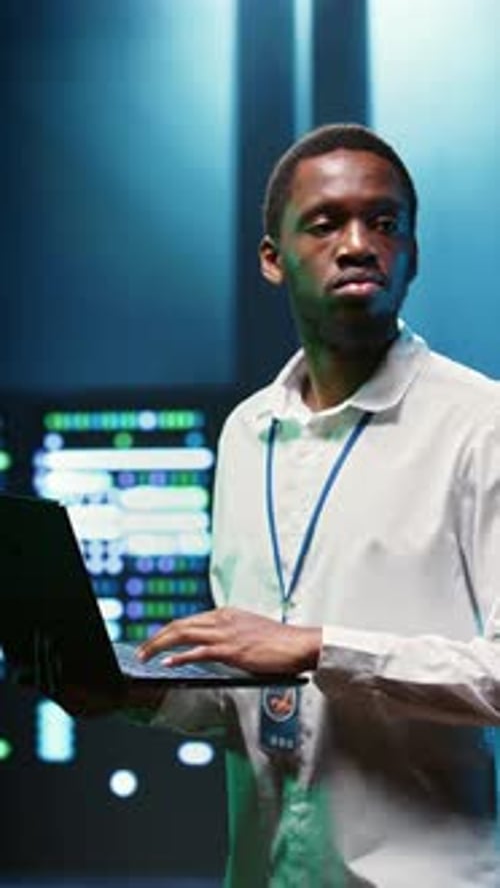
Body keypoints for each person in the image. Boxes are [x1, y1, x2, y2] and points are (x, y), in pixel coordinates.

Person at [24, 123, 500, 886]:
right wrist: (129, 695)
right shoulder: (247, 433)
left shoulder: (482, 425)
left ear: (411, 253)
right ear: (272, 260)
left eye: (385, 223)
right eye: (325, 222)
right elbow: (251, 697)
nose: (357, 243)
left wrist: (317, 648)